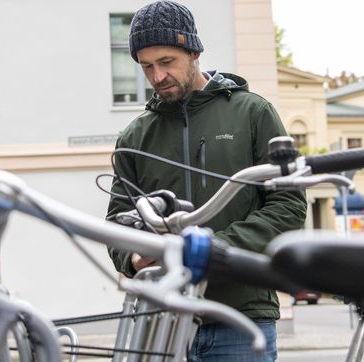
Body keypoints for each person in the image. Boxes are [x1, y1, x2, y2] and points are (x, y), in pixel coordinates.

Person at [105, 1, 306, 361]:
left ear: (194, 52)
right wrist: (132, 258)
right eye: (147, 66)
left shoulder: (252, 113)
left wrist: (215, 250)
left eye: (166, 62)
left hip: (241, 315)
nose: (157, 77)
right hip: (160, 320)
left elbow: (288, 205)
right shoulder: (135, 137)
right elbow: (117, 219)